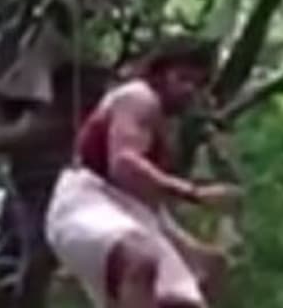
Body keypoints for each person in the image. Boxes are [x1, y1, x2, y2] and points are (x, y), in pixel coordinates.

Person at [45, 37, 242, 308]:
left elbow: (146, 204)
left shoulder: (164, 126)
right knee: (140, 258)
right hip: (86, 201)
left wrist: (190, 250)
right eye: (183, 78)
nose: (189, 90)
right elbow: (123, 164)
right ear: (160, 72)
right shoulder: (138, 98)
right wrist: (193, 193)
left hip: (130, 212)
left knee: (188, 292)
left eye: (197, 85)